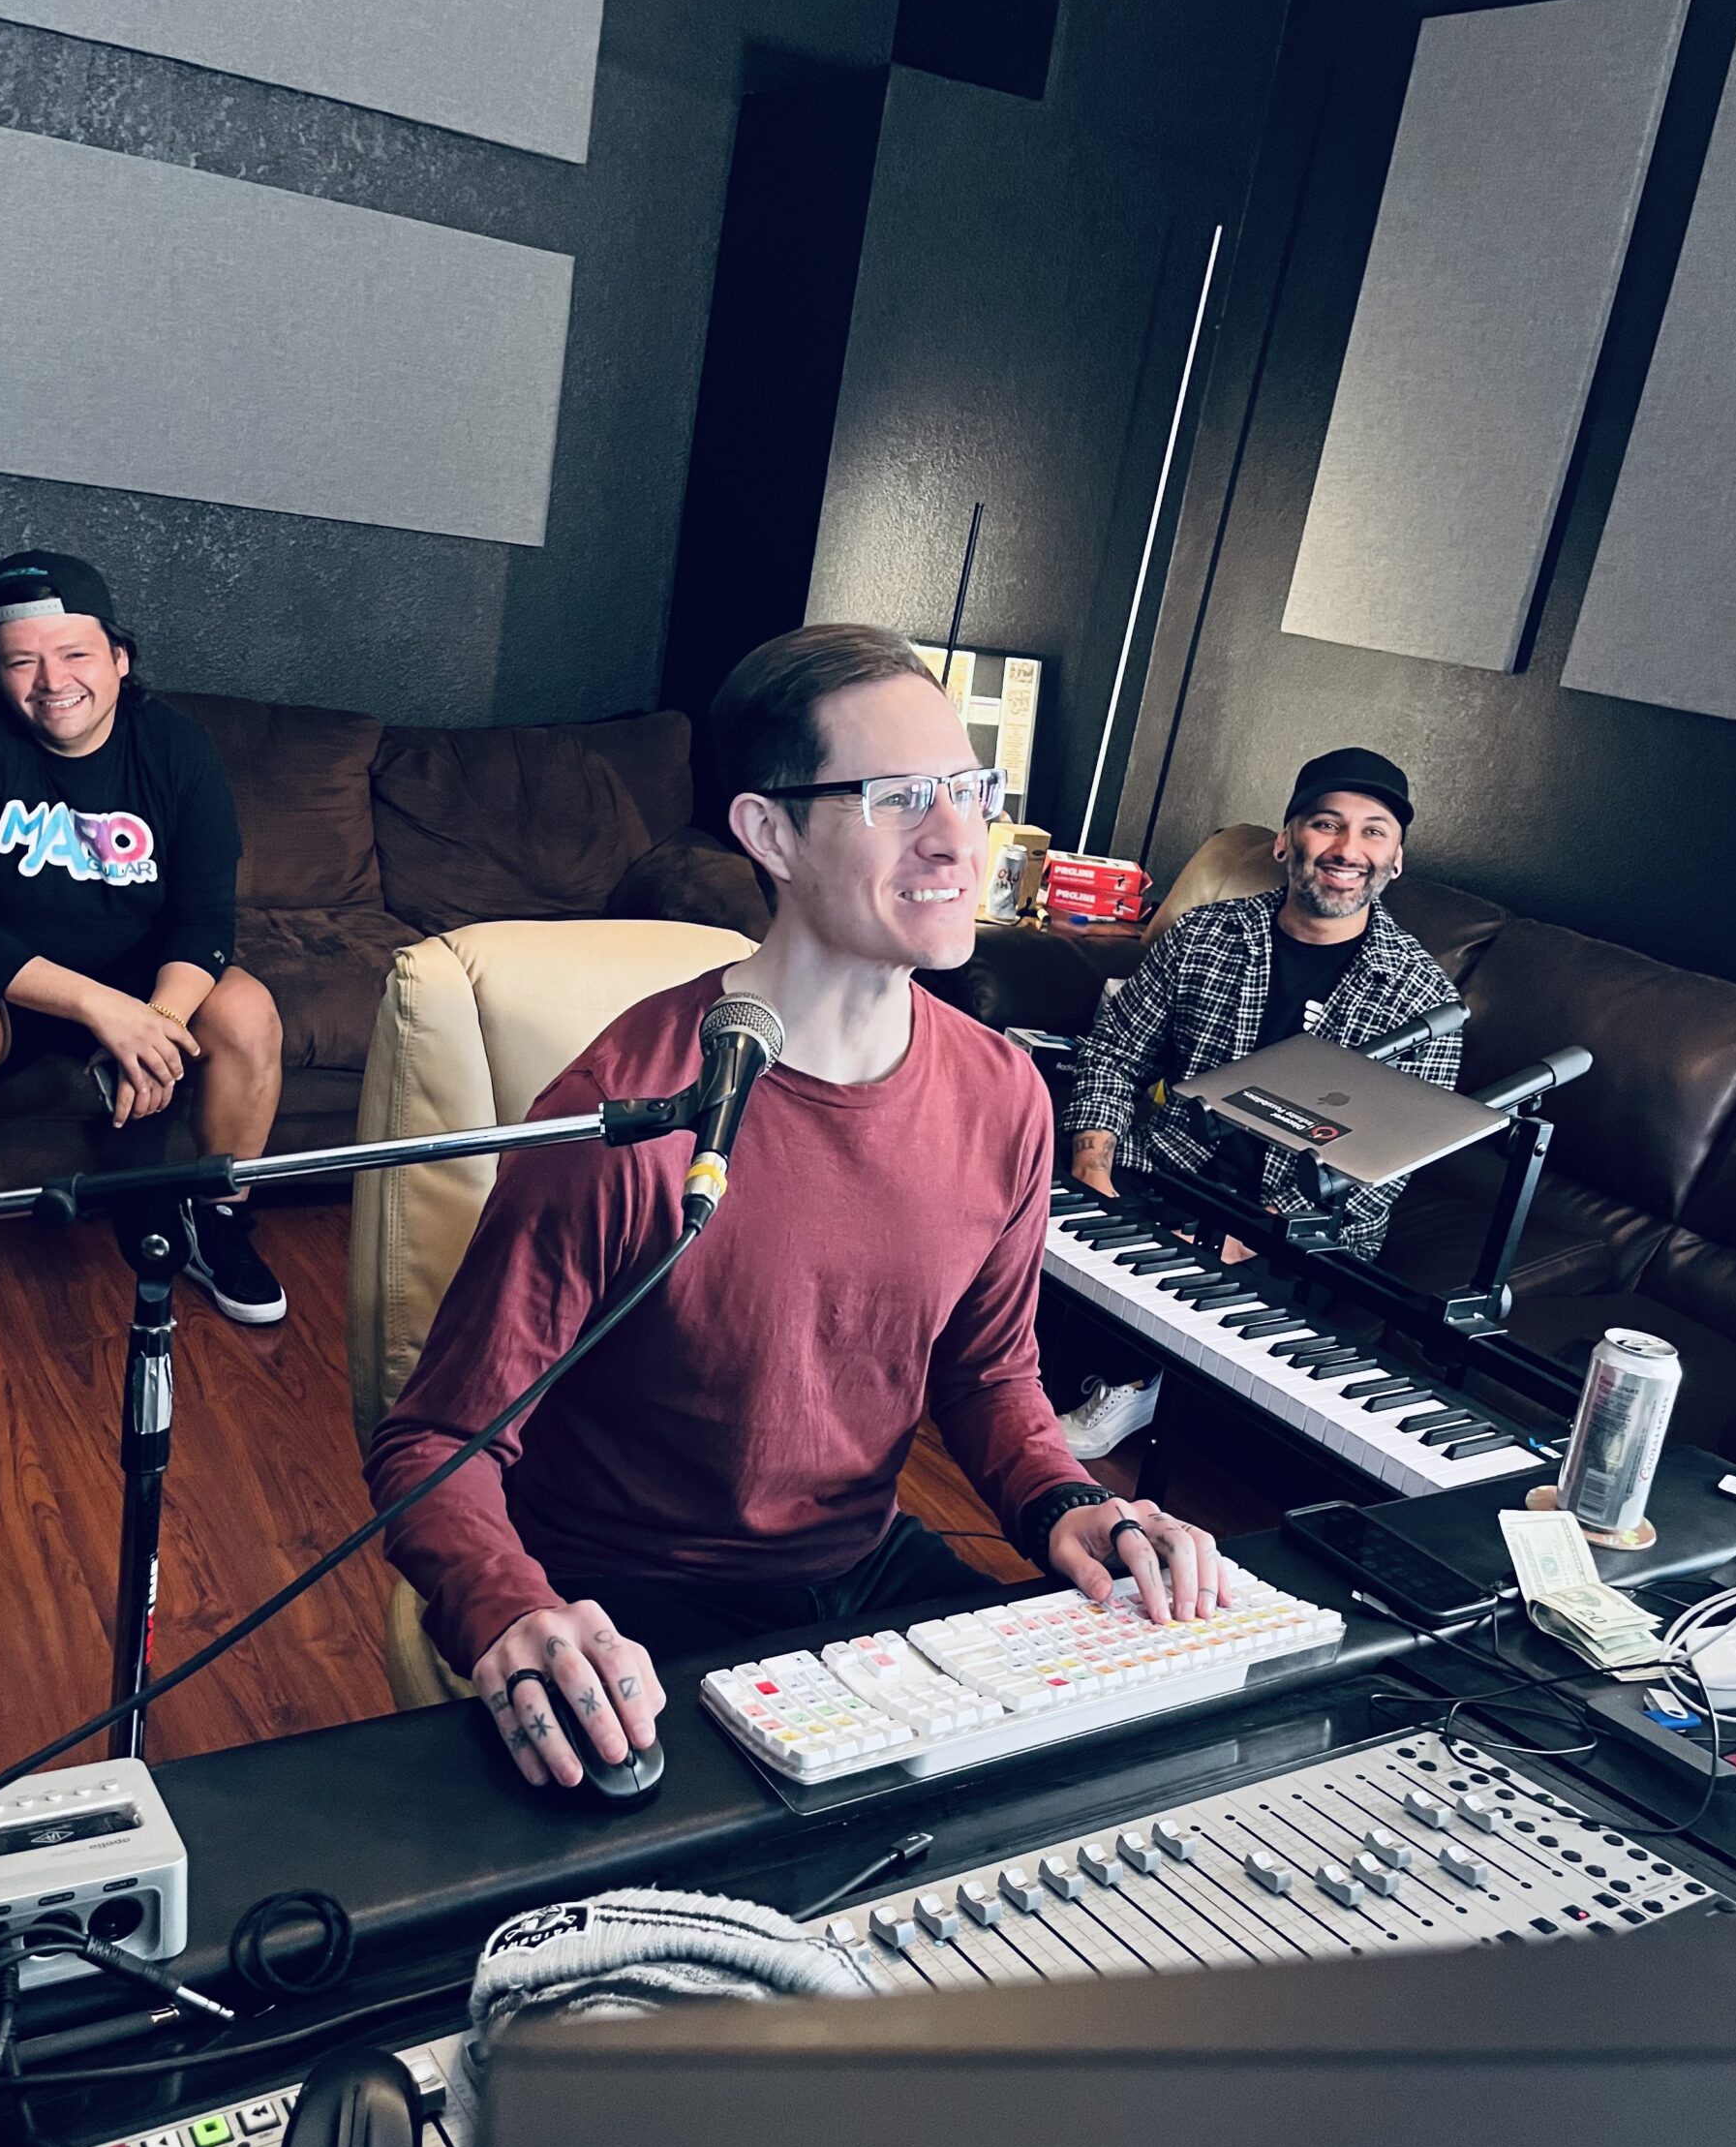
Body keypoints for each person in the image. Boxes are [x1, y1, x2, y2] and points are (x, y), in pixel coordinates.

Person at [365, 624, 1227, 1791]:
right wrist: (508, 1608)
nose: (957, 837)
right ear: (770, 830)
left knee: (1125, 1766)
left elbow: (987, 1374)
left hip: (860, 1570)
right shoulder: (630, 1109)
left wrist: (1066, 1499)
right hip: (636, 1600)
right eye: (899, 797)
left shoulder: (1005, 1094)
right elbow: (435, 1442)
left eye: (969, 790)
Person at [0, 550, 287, 1368]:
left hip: (135, 977)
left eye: (74, 653)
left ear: (119, 659)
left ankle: (214, 1217)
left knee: (247, 1009)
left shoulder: (175, 747)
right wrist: (105, 1011)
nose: (50, 679)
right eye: (21, 660)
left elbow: (206, 917)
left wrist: (161, 1022)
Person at [1055, 746, 1461, 1458]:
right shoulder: (1206, 934)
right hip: (1166, 1169)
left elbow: (1379, 1178)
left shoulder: (1423, 1001)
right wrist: (1094, 1165)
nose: (1347, 849)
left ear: (1396, 861)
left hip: (1298, 1224)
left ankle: (1127, 1380)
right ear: (1285, 841)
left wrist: (1239, 1239)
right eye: (1327, 825)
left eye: (1374, 832)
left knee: (1163, 1284)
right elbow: (1114, 1053)